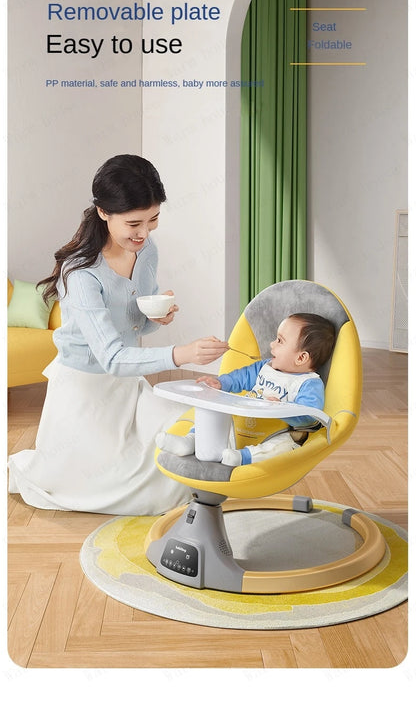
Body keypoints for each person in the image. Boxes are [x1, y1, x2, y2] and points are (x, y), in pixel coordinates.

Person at [8, 154, 228, 514]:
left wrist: (159, 316)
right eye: (134, 222)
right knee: (118, 484)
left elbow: (136, 323)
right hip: (86, 391)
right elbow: (111, 357)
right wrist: (183, 354)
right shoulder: (80, 274)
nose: (144, 232)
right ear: (103, 212)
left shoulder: (146, 250)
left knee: (193, 422)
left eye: (153, 219)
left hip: (129, 384)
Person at [157, 312, 336, 466]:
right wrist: (221, 384)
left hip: (274, 434)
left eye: (280, 341)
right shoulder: (265, 366)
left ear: (301, 357)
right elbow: (239, 378)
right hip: (242, 425)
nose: (272, 344)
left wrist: (281, 409)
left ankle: (243, 457)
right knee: (215, 415)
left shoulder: (308, 383)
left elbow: (309, 416)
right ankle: (190, 442)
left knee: (283, 447)